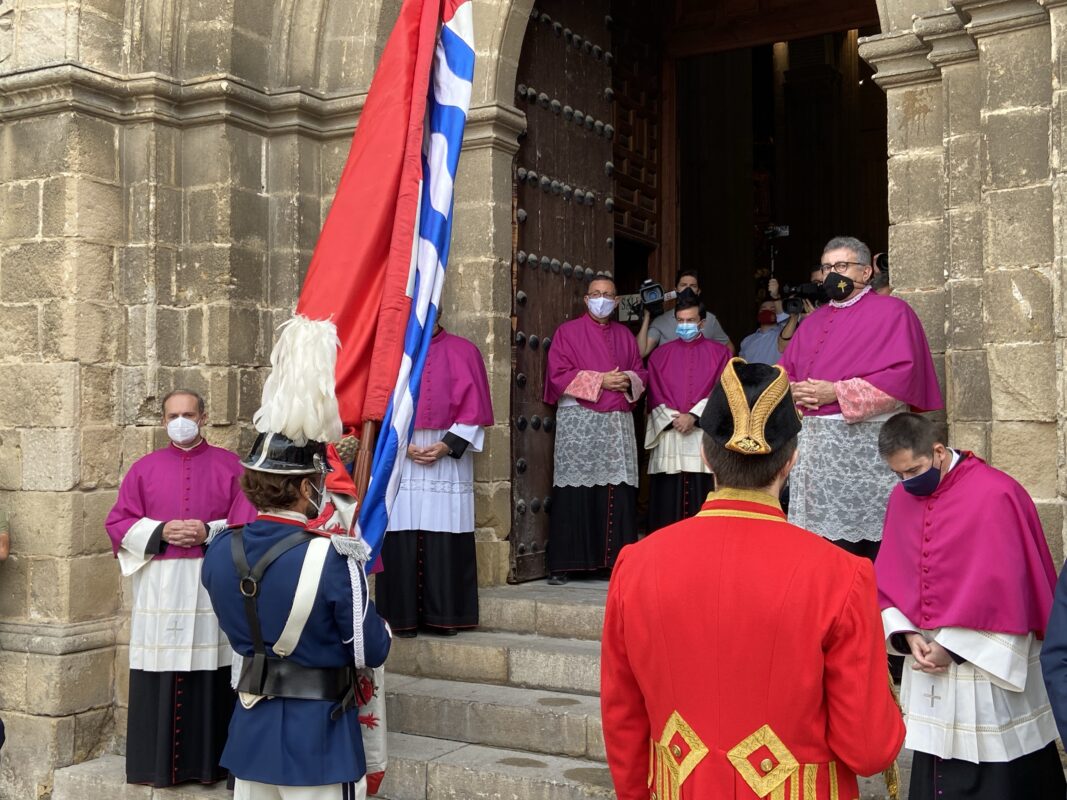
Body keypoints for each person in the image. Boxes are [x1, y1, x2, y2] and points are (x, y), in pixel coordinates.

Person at [601, 358, 905, 800]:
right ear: (792, 459)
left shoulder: (636, 564)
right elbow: (868, 748)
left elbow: (622, 715)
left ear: (706, 455)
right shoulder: (843, 575)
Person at [201, 316, 392, 799]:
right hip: (319, 737)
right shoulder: (333, 557)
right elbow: (371, 649)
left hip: (250, 727)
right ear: (308, 487)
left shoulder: (220, 548)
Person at [875, 413, 1062, 799]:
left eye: (914, 470)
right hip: (926, 659)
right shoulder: (902, 497)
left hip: (985, 663)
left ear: (939, 452)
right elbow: (889, 579)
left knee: (1001, 774)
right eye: (899, 475)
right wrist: (908, 635)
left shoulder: (997, 494)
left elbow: (1012, 592)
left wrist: (952, 646)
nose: (908, 483)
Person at [104, 389, 256, 787]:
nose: (181, 421)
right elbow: (117, 524)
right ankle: (156, 767)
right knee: (161, 667)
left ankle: (208, 765)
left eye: (188, 413)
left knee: (212, 668)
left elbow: (249, 525)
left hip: (212, 580)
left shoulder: (232, 467)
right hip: (160, 583)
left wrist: (209, 530)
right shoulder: (143, 468)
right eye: (173, 415)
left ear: (204, 417)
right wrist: (160, 529)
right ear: (163, 421)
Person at [778, 235, 942, 559]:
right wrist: (793, 390)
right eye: (826, 267)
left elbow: (903, 379)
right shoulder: (812, 323)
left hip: (865, 453)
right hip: (815, 457)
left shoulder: (894, 312)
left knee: (871, 547)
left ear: (866, 272)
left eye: (841, 265)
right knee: (820, 549)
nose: (831, 274)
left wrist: (835, 391)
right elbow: (786, 371)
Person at [376, 321, 493, 637]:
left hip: (447, 457)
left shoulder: (464, 351)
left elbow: (475, 415)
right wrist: (402, 445)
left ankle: (445, 616)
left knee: (444, 529)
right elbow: (375, 410)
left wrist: (445, 446)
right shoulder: (389, 353)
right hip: (401, 453)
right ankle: (401, 618)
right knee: (401, 529)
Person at [544, 275, 646, 585]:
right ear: (586, 299)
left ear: (616, 302)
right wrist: (601, 380)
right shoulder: (567, 332)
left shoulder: (625, 336)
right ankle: (567, 563)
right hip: (580, 422)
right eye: (596, 294)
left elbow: (641, 371)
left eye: (608, 295)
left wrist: (626, 378)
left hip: (616, 422)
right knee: (575, 489)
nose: (601, 299)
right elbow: (557, 375)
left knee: (615, 490)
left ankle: (611, 563)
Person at [644, 295, 730, 531]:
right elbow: (653, 394)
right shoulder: (659, 355)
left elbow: (724, 392)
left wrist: (694, 416)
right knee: (666, 503)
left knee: (702, 502)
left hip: (703, 438)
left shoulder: (720, 354)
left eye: (690, 321)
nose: (685, 326)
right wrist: (676, 419)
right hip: (670, 434)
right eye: (680, 321)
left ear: (702, 323)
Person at [637, 269, 733, 357]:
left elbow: (729, 349)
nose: (688, 290)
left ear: (698, 291)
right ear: (676, 290)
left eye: (693, 286)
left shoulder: (710, 319)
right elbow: (641, 352)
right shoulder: (661, 321)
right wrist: (647, 315)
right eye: (683, 285)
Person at [738, 299, 789, 365]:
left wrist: (776, 297)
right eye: (763, 310)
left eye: (773, 309)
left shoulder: (784, 335)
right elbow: (741, 365)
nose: (767, 312)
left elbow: (785, 321)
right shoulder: (747, 340)